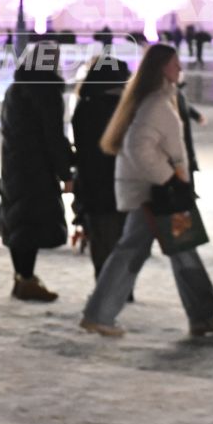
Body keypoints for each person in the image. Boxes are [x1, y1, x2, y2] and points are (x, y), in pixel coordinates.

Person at [80, 42, 213, 338]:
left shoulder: (159, 100)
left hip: (155, 192)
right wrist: (170, 179)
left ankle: (202, 316)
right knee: (138, 251)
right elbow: (138, 148)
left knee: (180, 249)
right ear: (161, 68)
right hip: (155, 195)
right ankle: (99, 314)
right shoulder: (156, 105)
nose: (180, 69)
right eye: (175, 64)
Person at [0, 38, 73, 302]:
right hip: (37, 166)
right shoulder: (45, 90)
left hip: (14, 163)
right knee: (29, 223)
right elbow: (53, 134)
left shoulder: (15, 88)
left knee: (19, 220)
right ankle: (27, 280)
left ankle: (22, 277)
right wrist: (66, 172)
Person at [70, 53, 133, 278]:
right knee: (121, 240)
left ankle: (104, 287)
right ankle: (117, 292)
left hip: (91, 185)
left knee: (101, 240)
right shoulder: (123, 109)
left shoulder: (84, 107)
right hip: (121, 184)